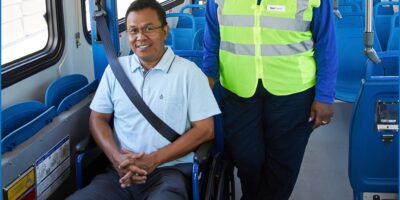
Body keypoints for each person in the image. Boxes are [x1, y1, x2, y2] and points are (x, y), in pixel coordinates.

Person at [68, 0, 220, 199]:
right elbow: (98, 118)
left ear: (165, 31)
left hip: (169, 173)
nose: (140, 37)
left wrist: (154, 160)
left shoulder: (189, 73)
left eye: (149, 28)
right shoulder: (115, 71)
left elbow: (205, 130)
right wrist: (117, 159)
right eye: (133, 30)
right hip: (120, 173)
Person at [202, 0, 338, 200]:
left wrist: (325, 95)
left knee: (283, 165)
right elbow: (213, 37)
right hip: (237, 89)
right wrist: (209, 76)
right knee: (247, 158)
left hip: (294, 91)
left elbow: (326, 42)